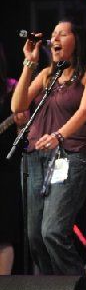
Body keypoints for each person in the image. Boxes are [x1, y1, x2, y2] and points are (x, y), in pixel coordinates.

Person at [11, 18, 86, 275]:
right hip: (35, 157)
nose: (55, 38)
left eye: (63, 34)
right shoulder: (46, 75)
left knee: (52, 231)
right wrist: (29, 64)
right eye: (54, 34)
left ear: (77, 40)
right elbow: (17, 107)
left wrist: (58, 135)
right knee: (35, 238)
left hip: (71, 155)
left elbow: (85, 110)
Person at [0, 42, 28, 275]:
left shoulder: (12, 90)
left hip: (6, 168)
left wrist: (20, 125)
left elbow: (23, 134)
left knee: (3, 233)